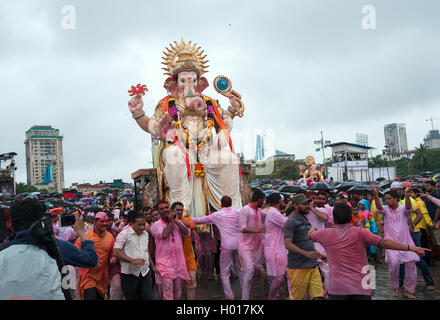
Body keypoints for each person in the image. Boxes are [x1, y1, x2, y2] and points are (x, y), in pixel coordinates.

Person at [309, 203, 430, 300]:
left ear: (333, 218)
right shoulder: (361, 232)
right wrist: (412, 248)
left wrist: (313, 228)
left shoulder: (325, 234)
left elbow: (310, 235)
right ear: (351, 217)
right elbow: (384, 242)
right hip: (362, 285)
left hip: (337, 287)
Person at [0, 199, 65, 300]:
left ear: (10, 224)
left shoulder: (2, 254)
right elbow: (90, 260)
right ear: (42, 223)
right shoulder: (56, 250)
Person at [372, 185, 420, 299]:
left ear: (396, 199)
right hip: (391, 244)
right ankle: (395, 287)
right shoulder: (386, 211)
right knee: (393, 265)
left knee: (411, 266)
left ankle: (407, 289)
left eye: (389, 198)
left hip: (406, 242)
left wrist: (407, 194)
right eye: (386, 199)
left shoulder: (403, 208)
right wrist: (375, 195)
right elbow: (379, 208)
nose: (387, 201)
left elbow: (409, 208)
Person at [192, 196, 243, 300]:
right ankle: (245, 293)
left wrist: (183, 219)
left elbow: (199, 220)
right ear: (231, 203)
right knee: (240, 268)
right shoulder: (238, 212)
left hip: (227, 246)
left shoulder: (218, 215)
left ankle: (229, 296)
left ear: (220, 204)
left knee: (224, 272)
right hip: (238, 244)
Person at [283, 193, 326, 300]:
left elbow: (307, 244)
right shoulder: (291, 222)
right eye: (304, 204)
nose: (307, 206)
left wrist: (320, 255)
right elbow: (287, 244)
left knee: (318, 297)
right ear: (296, 205)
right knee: (296, 298)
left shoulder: (306, 221)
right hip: (298, 267)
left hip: (312, 266)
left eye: (307, 203)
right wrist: (306, 254)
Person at [150, 201, 190, 300]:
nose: (165, 210)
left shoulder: (176, 221)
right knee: (168, 293)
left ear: (170, 209)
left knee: (177, 294)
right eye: (162, 209)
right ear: (159, 212)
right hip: (164, 264)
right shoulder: (156, 225)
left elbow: (186, 233)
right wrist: (172, 222)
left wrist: (176, 221)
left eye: (166, 207)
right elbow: (164, 235)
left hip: (177, 264)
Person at [113, 212, 157, 300]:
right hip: (129, 274)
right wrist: (132, 260)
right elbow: (116, 252)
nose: (142, 227)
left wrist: (153, 267)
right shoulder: (124, 234)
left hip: (145, 272)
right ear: (132, 224)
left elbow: (146, 251)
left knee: (148, 297)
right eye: (139, 225)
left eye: (144, 224)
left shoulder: (145, 234)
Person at [399, 188, 435, 290]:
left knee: (418, 258)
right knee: (400, 258)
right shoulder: (397, 202)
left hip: (414, 233)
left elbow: (420, 214)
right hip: (402, 234)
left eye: (398, 190)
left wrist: (412, 225)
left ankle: (429, 282)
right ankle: (400, 282)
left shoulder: (410, 200)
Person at [75, 212, 115, 300]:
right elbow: (76, 253)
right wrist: (91, 261)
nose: (105, 224)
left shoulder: (110, 237)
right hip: (88, 276)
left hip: (102, 278)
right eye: (102, 221)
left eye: (106, 221)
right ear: (94, 222)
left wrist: (113, 257)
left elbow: (112, 253)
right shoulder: (85, 236)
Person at [238, 189, 267, 300]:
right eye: (263, 201)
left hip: (257, 246)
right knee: (249, 269)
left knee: (255, 272)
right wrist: (257, 230)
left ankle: (248, 295)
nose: (263, 203)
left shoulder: (259, 211)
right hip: (245, 246)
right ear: (259, 200)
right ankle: (244, 299)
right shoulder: (245, 210)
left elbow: (270, 216)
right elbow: (242, 228)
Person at [264, 193, 288, 300]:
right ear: (279, 202)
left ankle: (273, 296)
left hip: (276, 248)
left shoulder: (274, 212)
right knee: (278, 277)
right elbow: (287, 224)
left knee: (278, 276)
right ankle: (271, 296)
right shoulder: (274, 213)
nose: (283, 203)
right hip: (275, 249)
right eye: (282, 201)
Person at [172, 202, 197, 300]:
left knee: (191, 281)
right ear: (172, 210)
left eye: (181, 210)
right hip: (175, 259)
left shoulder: (186, 220)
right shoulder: (169, 223)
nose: (179, 211)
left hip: (189, 258)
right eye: (177, 210)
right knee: (179, 286)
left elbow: (191, 225)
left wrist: (177, 220)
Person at [307, 191, 331, 295]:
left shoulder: (322, 209)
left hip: (320, 244)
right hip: (307, 244)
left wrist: (312, 208)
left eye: (321, 199)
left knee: (327, 270)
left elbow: (325, 218)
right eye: (316, 198)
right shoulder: (305, 210)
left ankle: (327, 291)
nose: (318, 200)